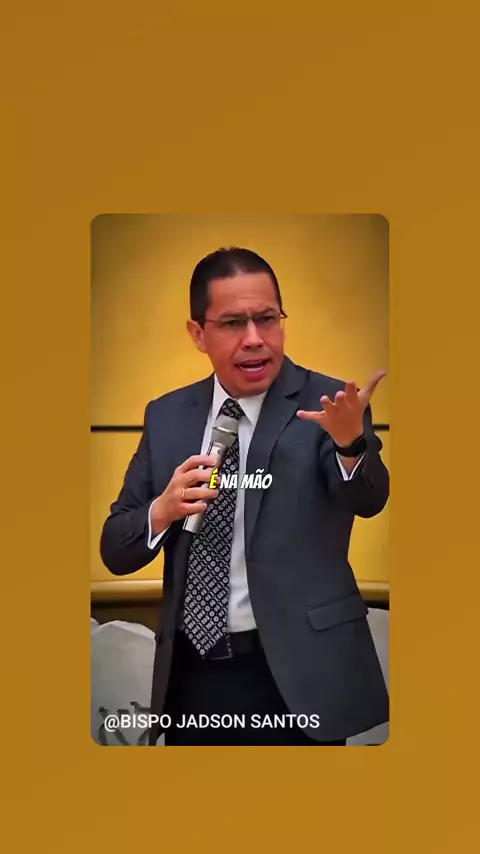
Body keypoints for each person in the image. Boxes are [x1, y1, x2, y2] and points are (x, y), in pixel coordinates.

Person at [100, 246, 389, 746]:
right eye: (233, 323)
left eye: (267, 319)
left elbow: (368, 499)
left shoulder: (330, 407)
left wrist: (351, 445)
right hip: (194, 675)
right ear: (198, 334)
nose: (255, 338)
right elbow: (115, 547)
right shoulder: (167, 416)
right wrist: (162, 510)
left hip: (298, 675)